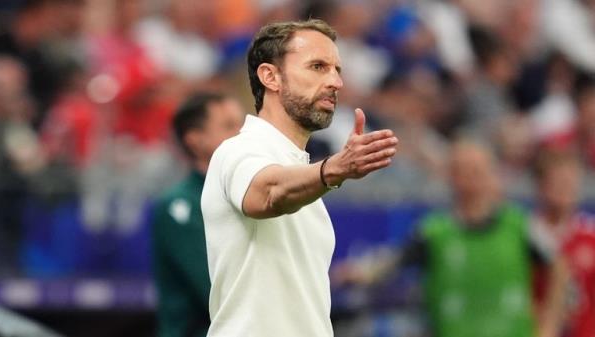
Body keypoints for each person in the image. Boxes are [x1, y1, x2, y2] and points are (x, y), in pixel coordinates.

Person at [201, 19, 398, 337]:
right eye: (318, 66)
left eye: (337, 70)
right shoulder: (238, 150)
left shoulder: (299, 172)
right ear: (270, 76)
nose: (335, 82)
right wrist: (333, 169)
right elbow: (267, 193)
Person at [333, 140, 559, 337]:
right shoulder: (434, 232)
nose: (472, 179)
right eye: (464, 171)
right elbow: (392, 263)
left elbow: (559, 266)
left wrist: (548, 326)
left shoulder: (520, 225)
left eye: (478, 170)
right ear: (451, 177)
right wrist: (359, 273)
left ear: (492, 174)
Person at [152, 92, 245, 337]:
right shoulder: (180, 206)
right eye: (229, 126)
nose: (242, 134)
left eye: (242, 124)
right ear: (195, 140)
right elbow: (216, 289)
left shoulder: (250, 197)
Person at [531, 150, 595, 337]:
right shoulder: (527, 236)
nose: (565, 188)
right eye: (558, 182)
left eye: (570, 182)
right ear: (541, 186)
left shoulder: (590, 235)